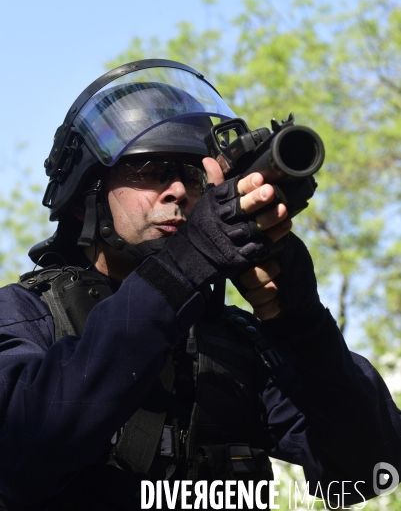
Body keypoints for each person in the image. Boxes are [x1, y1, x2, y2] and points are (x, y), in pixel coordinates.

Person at [0, 59, 399, 510]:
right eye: (150, 170)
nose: (177, 191)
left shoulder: (237, 342)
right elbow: (23, 450)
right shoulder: (24, 317)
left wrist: (303, 324)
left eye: (192, 175)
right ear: (84, 200)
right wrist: (182, 270)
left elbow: (370, 473)